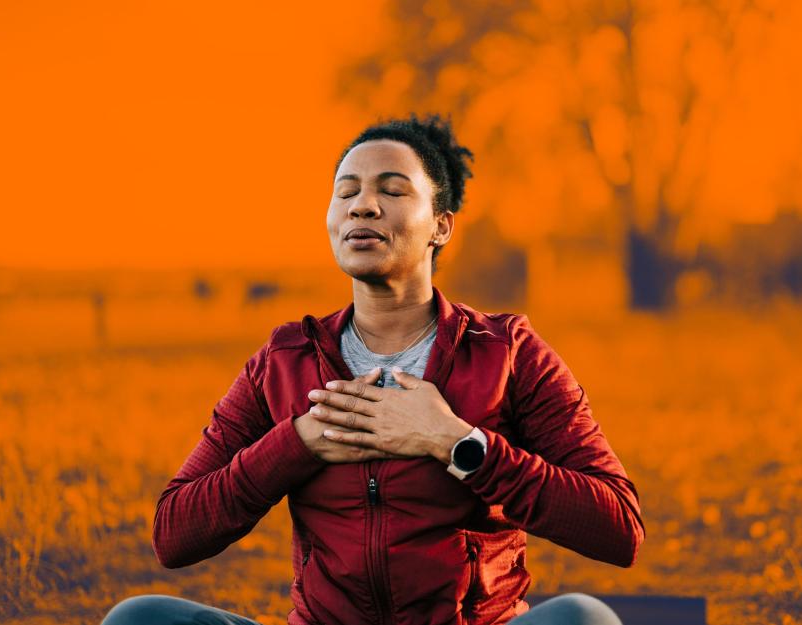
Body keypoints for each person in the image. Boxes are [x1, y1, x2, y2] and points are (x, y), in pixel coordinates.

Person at [101, 113, 645, 625]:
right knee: (139, 619)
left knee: (584, 618)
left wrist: (457, 442)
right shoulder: (285, 360)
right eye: (347, 192)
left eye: (392, 190)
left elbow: (619, 527)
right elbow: (174, 534)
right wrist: (296, 445)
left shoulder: (508, 353)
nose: (362, 206)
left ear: (441, 226)